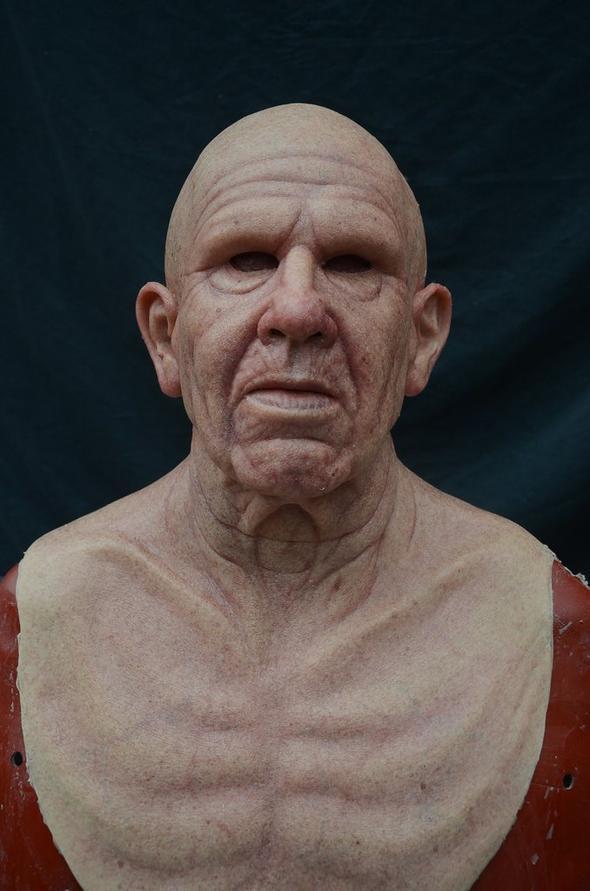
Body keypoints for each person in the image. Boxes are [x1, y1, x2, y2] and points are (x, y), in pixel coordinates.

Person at [2, 104, 588, 890]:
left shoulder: (555, 630)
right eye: (246, 259)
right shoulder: (27, 625)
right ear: (165, 335)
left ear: (422, 337)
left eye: (353, 263)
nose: (298, 309)